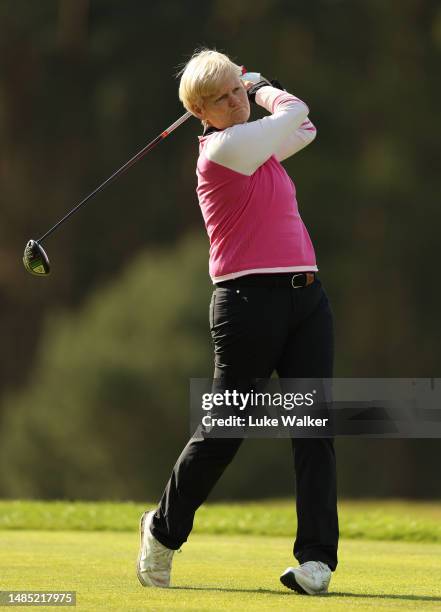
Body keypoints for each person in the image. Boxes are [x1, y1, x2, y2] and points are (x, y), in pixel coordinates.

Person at [136, 49, 338, 596]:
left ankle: (316, 560)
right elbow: (296, 114)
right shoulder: (223, 149)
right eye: (223, 97)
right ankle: (162, 529)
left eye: (238, 90)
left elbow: (306, 130)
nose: (236, 100)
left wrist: (254, 93)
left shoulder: (256, 146)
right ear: (201, 112)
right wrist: (263, 84)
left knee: (312, 424)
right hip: (248, 302)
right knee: (228, 427)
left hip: (306, 296)